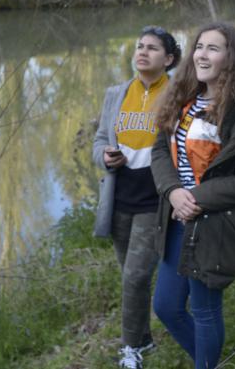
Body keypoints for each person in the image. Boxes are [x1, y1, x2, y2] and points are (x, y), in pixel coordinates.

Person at [150, 21, 235, 369]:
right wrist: (174, 191)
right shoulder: (183, 102)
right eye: (199, 47)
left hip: (213, 226)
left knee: (205, 310)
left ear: (231, 58)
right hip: (177, 219)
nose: (202, 54)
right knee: (166, 306)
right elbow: (160, 152)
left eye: (214, 48)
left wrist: (196, 197)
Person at [92, 26, 182, 369]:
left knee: (135, 277)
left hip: (153, 200)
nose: (143, 52)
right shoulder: (117, 93)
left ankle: (131, 350)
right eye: (140, 46)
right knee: (132, 276)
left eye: (153, 48)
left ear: (168, 59)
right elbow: (100, 140)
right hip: (119, 198)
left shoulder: (177, 95)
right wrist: (105, 155)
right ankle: (144, 339)